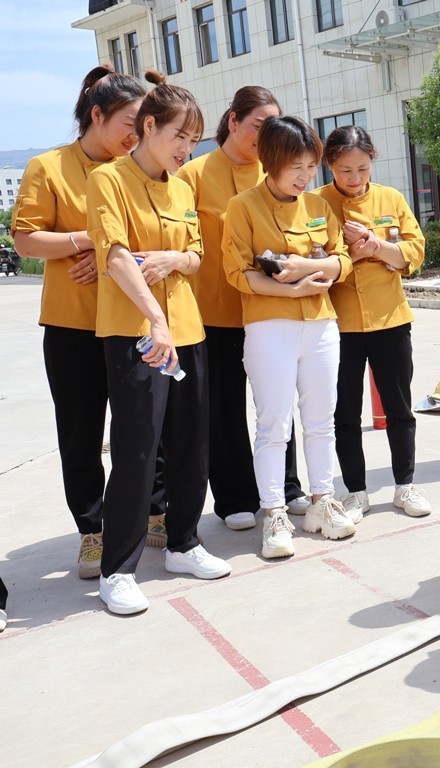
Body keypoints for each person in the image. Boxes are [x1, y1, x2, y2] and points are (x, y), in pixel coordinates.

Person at [12, 66, 171, 581]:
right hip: (74, 324)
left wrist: (114, 252)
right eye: (129, 121)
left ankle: (155, 510)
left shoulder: (142, 170)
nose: (136, 133)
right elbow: (28, 241)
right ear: (95, 115)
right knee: (80, 432)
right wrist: (91, 240)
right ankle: (93, 530)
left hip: (130, 320)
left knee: (146, 426)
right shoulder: (48, 167)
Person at [86, 77, 232, 615]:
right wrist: (156, 321)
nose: (184, 149)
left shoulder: (181, 185)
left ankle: (184, 543)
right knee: (138, 451)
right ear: (148, 126)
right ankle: (117, 569)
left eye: (193, 141)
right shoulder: (108, 181)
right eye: (178, 136)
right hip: (136, 332)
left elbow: (195, 253)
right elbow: (117, 256)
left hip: (188, 329)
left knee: (192, 443)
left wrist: (175, 260)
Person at [177, 86, 310, 533]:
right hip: (213, 312)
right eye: (257, 125)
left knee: (277, 405)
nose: (264, 134)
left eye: (272, 126)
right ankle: (234, 497)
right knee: (225, 409)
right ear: (233, 121)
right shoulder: (193, 175)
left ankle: (288, 488)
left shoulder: (274, 175)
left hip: (271, 310)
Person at [222, 115, 354, 559]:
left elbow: (342, 260)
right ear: (270, 161)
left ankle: (322, 500)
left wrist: (313, 270)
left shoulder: (319, 206)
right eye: (296, 166)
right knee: (273, 424)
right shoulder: (242, 206)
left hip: (320, 323)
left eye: (310, 166)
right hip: (268, 327)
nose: (305, 176)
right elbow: (238, 272)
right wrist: (289, 286)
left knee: (321, 420)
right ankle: (275, 512)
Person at [314, 125, 431, 519]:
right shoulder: (314, 204)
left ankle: (405, 487)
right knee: (344, 412)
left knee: (399, 408)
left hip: (390, 319)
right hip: (337, 324)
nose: (355, 178)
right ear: (329, 164)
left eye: (362, 168)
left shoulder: (391, 198)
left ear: (372, 161)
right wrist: (350, 254)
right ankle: (356, 492)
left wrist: (377, 246)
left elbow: (413, 255)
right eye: (345, 169)